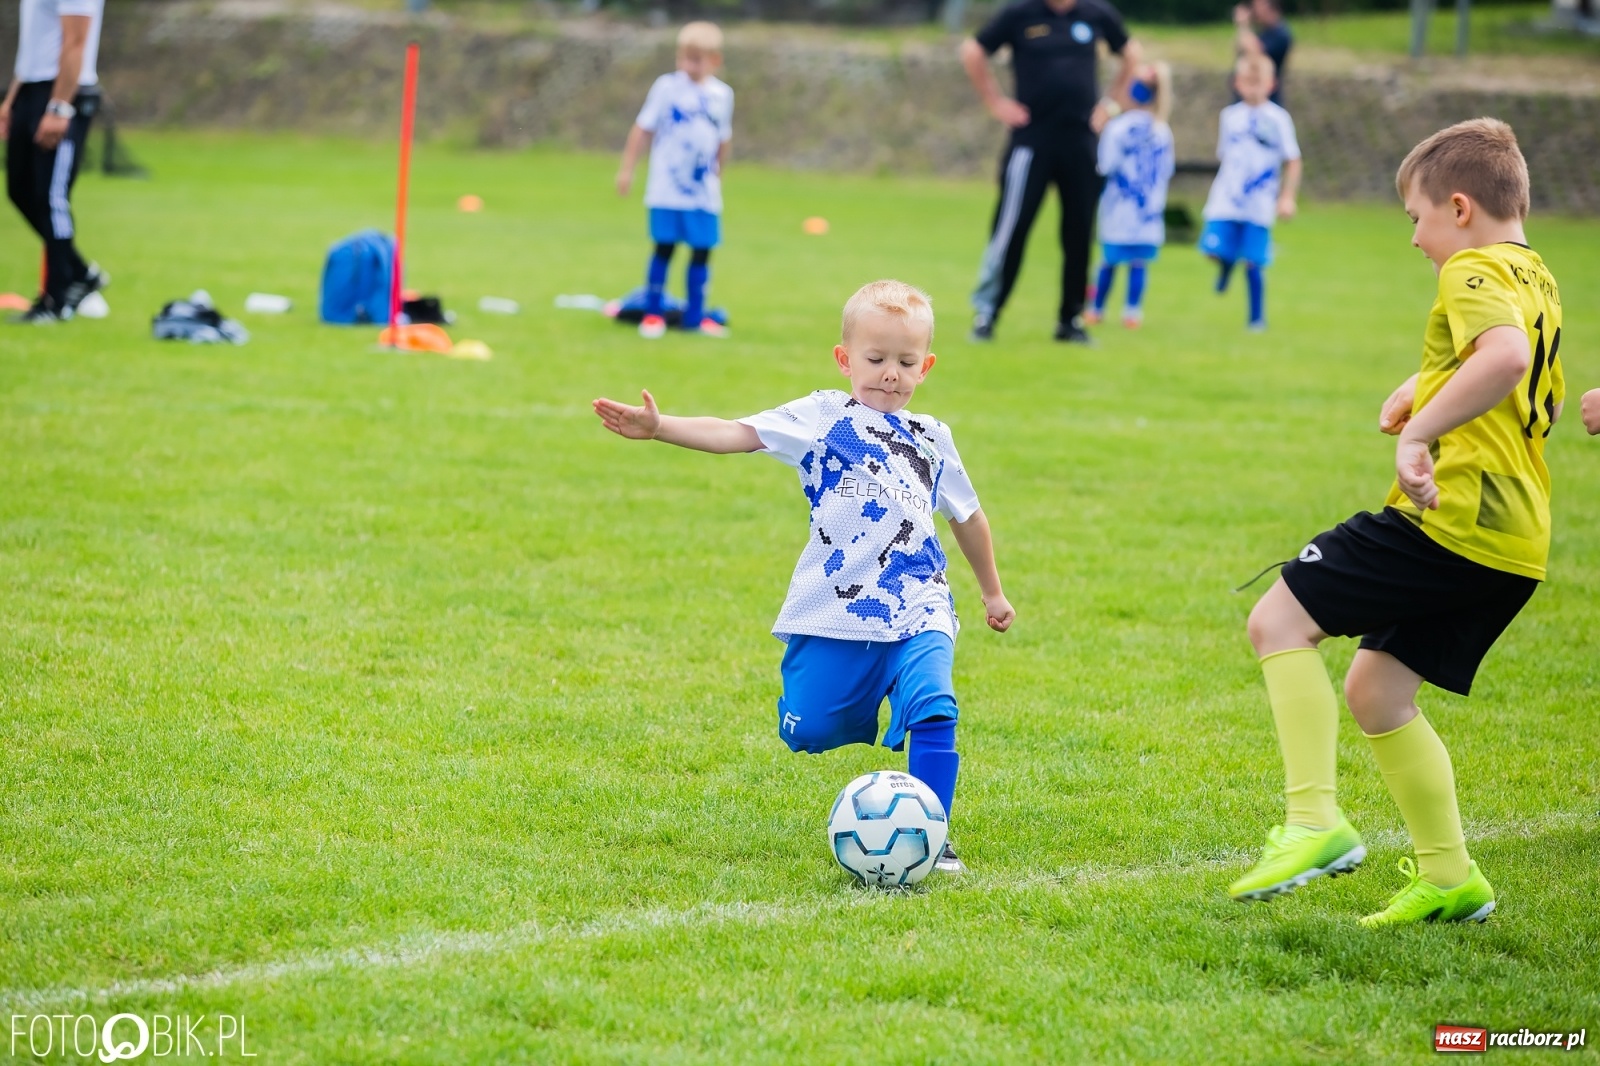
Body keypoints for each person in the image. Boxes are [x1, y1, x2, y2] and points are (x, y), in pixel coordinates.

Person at [1230, 118, 1564, 927]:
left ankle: (1313, 821)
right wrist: (1424, 381)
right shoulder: (1536, 274)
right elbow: (1519, 370)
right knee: (1378, 691)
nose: (1414, 240)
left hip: (1454, 519)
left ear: (1457, 207)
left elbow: (1506, 360)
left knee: (1277, 620)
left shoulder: (1472, 268)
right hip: (1517, 542)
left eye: (1414, 218)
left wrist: (1419, 433)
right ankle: (1451, 876)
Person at [593, 280, 1016, 874]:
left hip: (920, 602)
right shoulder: (821, 416)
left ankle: (932, 833)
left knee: (936, 705)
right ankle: (857, 699)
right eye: (875, 360)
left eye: (905, 362)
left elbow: (968, 518)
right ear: (845, 359)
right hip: (838, 607)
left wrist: (991, 591)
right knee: (812, 725)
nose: (890, 374)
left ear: (927, 366)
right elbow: (736, 434)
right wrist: (661, 427)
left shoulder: (933, 440)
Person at [960, 0, 1141, 344]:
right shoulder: (1020, 13)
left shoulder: (1095, 13)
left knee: (1079, 231)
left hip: (1081, 142)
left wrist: (1111, 104)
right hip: (1032, 141)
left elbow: (1132, 53)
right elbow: (973, 50)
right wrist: (994, 102)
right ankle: (987, 312)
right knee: (1011, 228)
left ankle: (1071, 319)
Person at [615, 21, 733, 339]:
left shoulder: (722, 95)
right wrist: (627, 169)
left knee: (702, 251)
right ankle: (653, 314)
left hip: (702, 193)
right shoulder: (667, 87)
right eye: (683, 57)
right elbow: (643, 128)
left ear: (714, 60)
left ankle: (695, 317)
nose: (687, 65)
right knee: (664, 248)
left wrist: (718, 172)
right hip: (667, 190)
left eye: (696, 59)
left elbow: (723, 139)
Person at [1, 0, 107, 324]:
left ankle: (57, 299)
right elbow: (35, 45)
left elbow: (76, 41)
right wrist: (11, 99)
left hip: (63, 91)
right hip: (31, 88)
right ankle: (79, 272)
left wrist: (60, 106)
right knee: (20, 190)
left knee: (51, 198)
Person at [1198, 53, 1300, 331]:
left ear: (1271, 84)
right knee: (1212, 249)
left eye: (1259, 81)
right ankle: (1226, 266)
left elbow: (1292, 159)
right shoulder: (1229, 117)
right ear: (1237, 83)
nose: (1253, 87)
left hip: (1259, 202)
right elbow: (1226, 157)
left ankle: (1256, 319)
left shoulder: (1278, 119)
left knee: (1254, 262)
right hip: (1226, 200)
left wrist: (1287, 197)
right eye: (1247, 81)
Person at [1085, 61, 1174, 329]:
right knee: (1139, 262)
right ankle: (1131, 313)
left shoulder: (1118, 128)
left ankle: (1096, 309)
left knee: (1109, 260)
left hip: (1118, 206)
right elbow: (1166, 170)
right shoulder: (1162, 131)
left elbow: (1106, 165)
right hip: (1149, 209)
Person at [1233, 0, 1291, 105]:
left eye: (1256, 4)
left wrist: (1243, 25)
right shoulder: (1264, 31)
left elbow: (1254, 51)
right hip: (1250, 97)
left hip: (1266, 98)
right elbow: (1240, 49)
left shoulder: (1280, 34)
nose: (1253, 9)